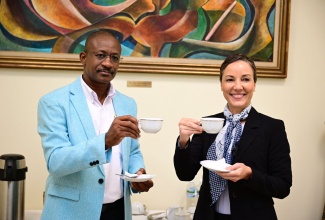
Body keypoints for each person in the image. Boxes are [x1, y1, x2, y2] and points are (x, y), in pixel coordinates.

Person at [37, 30, 153, 220]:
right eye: (101, 55)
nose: (108, 63)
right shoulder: (54, 102)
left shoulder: (127, 103)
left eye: (114, 58)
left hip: (118, 211)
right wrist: (105, 142)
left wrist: (137, 172)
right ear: (83, 57)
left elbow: (132, 151)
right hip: (72, 212)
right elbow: (56, 162)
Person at [173, 54, 292, 220]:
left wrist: (250, 174)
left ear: (254, 84)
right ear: (221, 84)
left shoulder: (272, 128)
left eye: (245, 79)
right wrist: (184, 141)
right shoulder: (208, 124)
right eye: (229, 80)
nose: (237, 86)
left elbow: (282, 187)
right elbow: (185, 174)